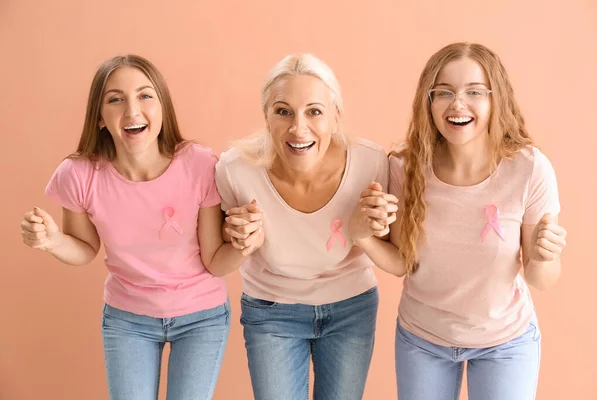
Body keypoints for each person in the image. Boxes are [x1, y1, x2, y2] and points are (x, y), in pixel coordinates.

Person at [20, 55, 249, 400]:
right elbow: (84, 248)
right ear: (99, 117)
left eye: (145, 96)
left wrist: (247, 244)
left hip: (201, 317)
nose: (132, 110)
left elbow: (215, 260)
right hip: (128, 319)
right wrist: (52, 241)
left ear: (162, 108)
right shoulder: (79, 175)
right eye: (115, 99)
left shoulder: (199, 164)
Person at [354, 42, 567, 399]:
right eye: (444, 92)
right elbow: (402, 262)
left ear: (495, 99)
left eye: (474, 92)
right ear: (429, 101)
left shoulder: (529, 168)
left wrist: (545, 257)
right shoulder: (404, 168)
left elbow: (540, 278)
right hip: (423, 339)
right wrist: (362, 237)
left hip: (505, 342)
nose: (457, 104)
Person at [214, 53, 397, 400]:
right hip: (271, 312)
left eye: (314, 111)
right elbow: (216, 258)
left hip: (351, 308)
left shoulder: (371, 163)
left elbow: (397, 251)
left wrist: (374, 227)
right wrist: (239, 240)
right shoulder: (235, 170)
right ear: (266, 117)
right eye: (283, 111)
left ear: (335, 117)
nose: (299, 128)